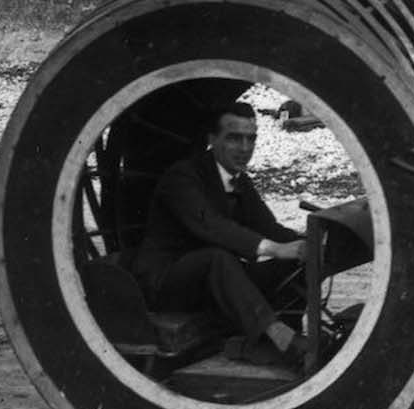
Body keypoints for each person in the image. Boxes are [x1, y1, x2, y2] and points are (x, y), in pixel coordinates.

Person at [131, 102, 311, 366]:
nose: (245, 148)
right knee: (217, 259)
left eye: (251, 138)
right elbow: (211, 225)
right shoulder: (182, 176)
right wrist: (275, 248)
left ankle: (282, 340)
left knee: (290, 261)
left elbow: (268, 228)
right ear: (212, 140)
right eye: (234, 138)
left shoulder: (238, 180)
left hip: (212, 282)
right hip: (165, 284)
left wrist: (307, 243)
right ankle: (280, 339)